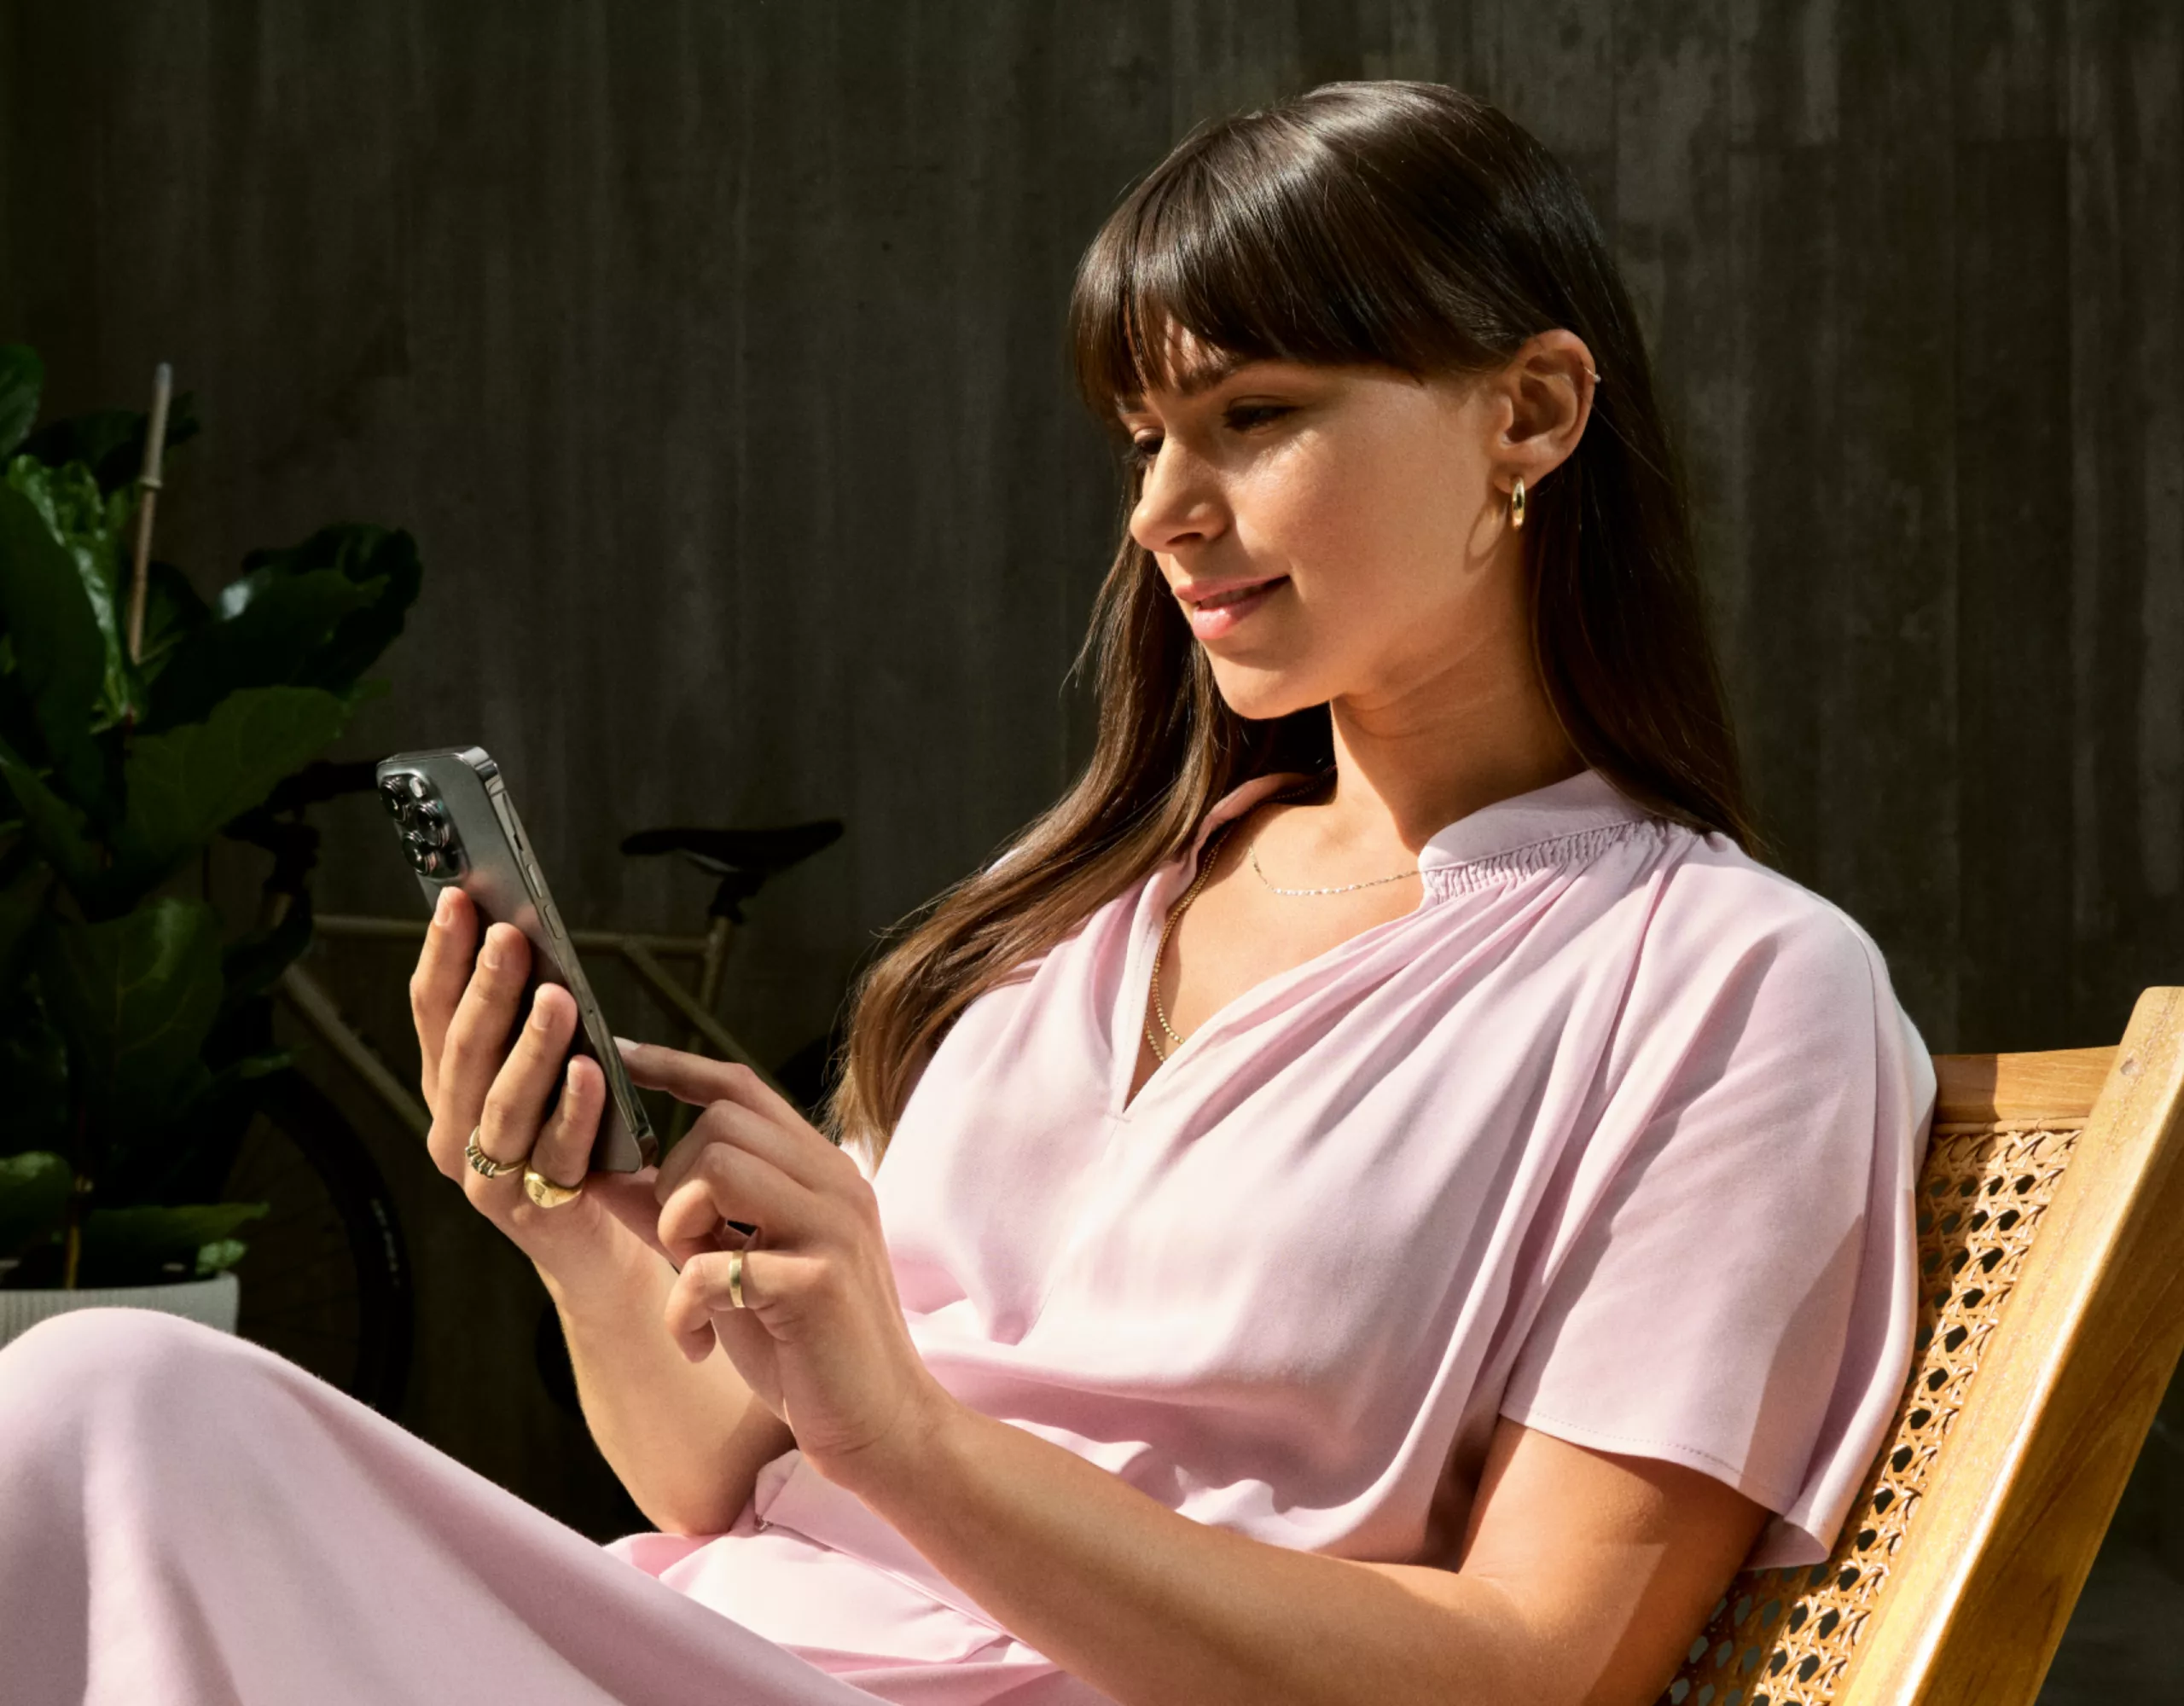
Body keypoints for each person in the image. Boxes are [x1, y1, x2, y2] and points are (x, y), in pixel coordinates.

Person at [0, 80, 1933, 1706]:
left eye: (1251, 414)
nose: (1162, 511)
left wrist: (910, 1438)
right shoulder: (1086, 920)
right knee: (103, 1420)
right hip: (719, 1640)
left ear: (1528, 414)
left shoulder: (1734, 985)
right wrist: (572, 1226)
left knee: (112, 1409)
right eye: (1143, 438)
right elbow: (727, 1472)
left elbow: (1543, 1662)